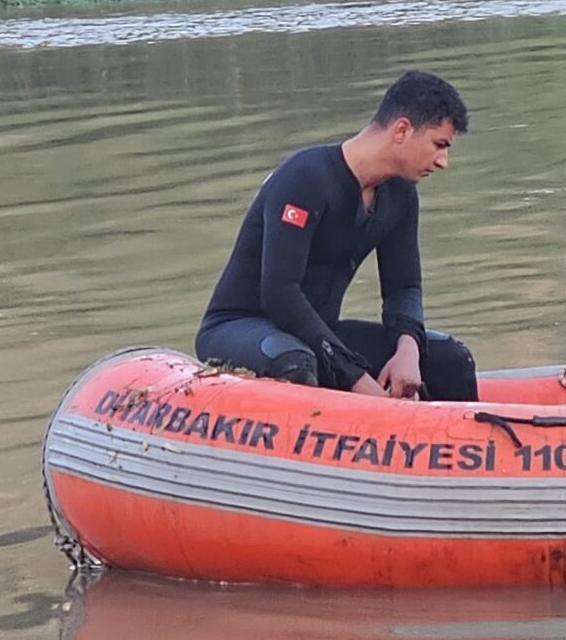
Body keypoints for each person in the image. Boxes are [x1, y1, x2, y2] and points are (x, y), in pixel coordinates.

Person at [195, 70, 478, 402]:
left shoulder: (401, 194)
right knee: (298, 363)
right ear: (402, 129)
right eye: (439, 145)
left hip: (318, 334)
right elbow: (279, 293)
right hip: (240, 326)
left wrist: (408, 349)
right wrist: (356, 377)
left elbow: (404, 287)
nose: (443, 162)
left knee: (451, 359)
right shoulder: (306, 178)